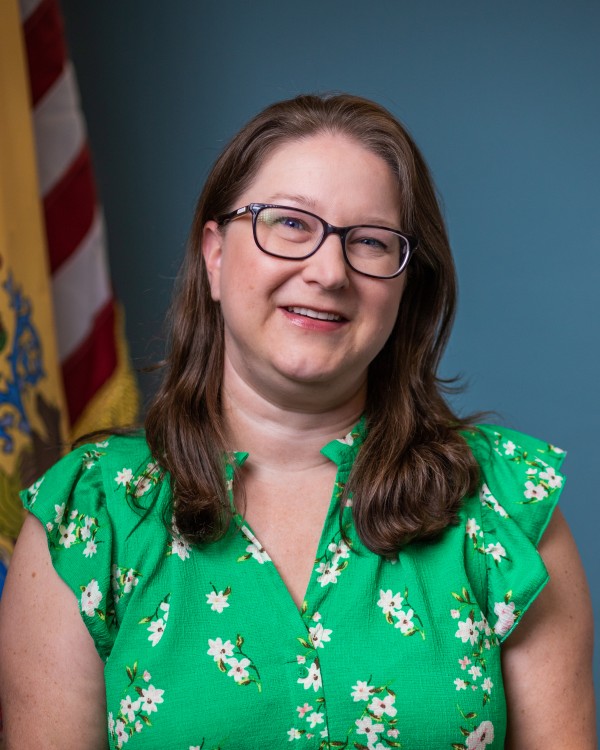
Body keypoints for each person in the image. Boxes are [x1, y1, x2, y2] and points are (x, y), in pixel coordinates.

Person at [0, 94, 595, 749]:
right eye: (289, 223)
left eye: (370, 241)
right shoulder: (90, 520)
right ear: (215, 255)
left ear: (406, 287)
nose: (329, 272)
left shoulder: (506, 508)